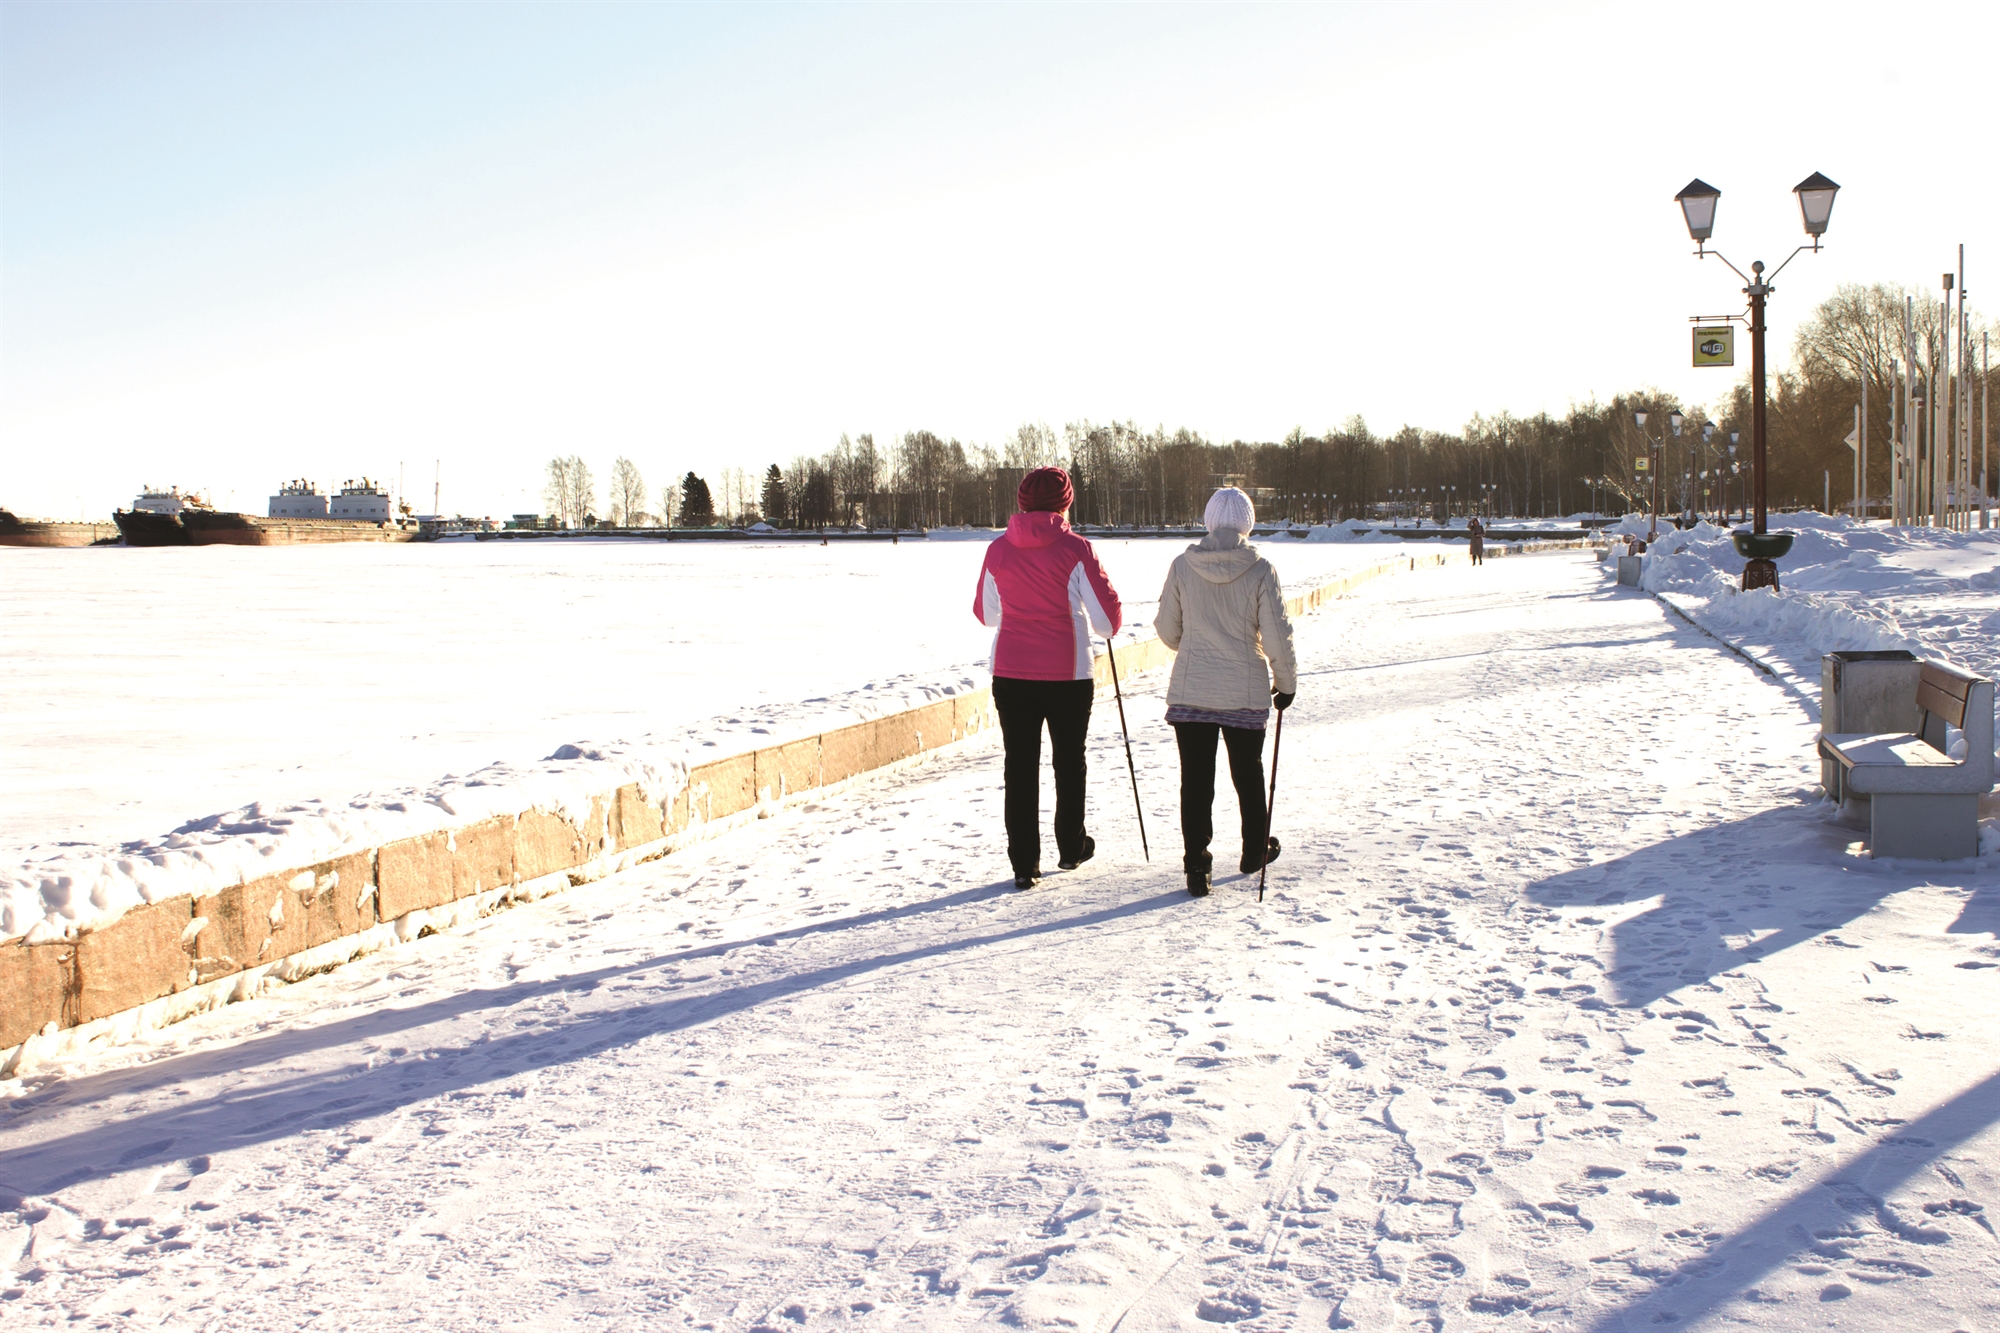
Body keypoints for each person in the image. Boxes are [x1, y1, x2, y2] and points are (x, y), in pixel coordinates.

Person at [971, 467, 1122, 889]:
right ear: (1066, 502)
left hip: (1011, 672)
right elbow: (1107, 623)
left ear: (1021, 502)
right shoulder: (1077, 549)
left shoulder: (998, 550)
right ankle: (1071, 848)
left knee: (1019, 766)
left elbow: (987, 614)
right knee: (1068, 762)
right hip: (1068, 674)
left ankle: (1024, 863)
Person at [1156, 487, 1297, 897]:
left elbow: (1167, 631)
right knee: (1248, 773)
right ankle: (1255, 849)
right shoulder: (1260, 569)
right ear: (1247, 524)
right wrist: (1285, 684)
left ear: (1209, 521)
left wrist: (1196, 644)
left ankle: (1196, 864)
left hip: (1192, 690)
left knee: (1195, 781)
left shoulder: (1183, 566)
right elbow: (1277, 634)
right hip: (1244, 691)